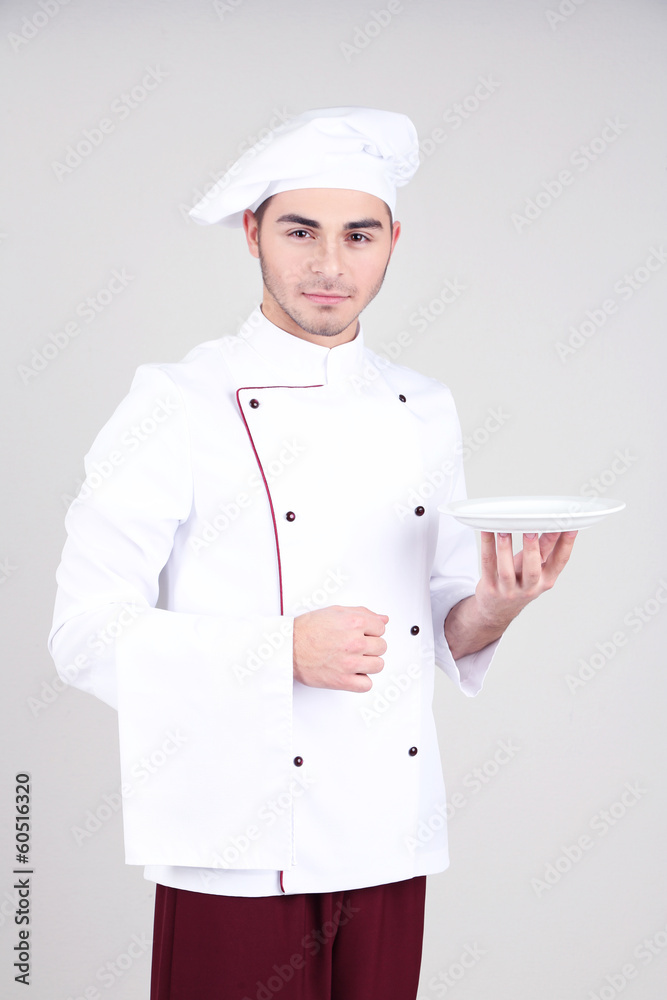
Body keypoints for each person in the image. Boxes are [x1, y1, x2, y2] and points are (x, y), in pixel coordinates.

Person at [48, 107, 577, 1000]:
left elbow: (439, 619)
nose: (330, 265)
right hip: (236, 837)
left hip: (387, 834)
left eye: (358, 234)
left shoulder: (425, 404)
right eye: (301, 231)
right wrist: (280, 650)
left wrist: (499, 602)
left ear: (393, 243)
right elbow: (82, 636)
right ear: (252, 233)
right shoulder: (175, 402)